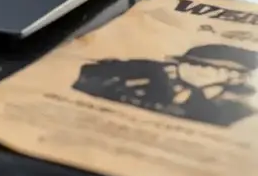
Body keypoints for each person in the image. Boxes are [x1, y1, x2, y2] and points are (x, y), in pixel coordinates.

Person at [73, 43, 258, 127]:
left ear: (235, 77)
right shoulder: (148, 79)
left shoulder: (235, 110)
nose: (189, 69)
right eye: (189, 62)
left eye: (204, 66)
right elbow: (88, 78)